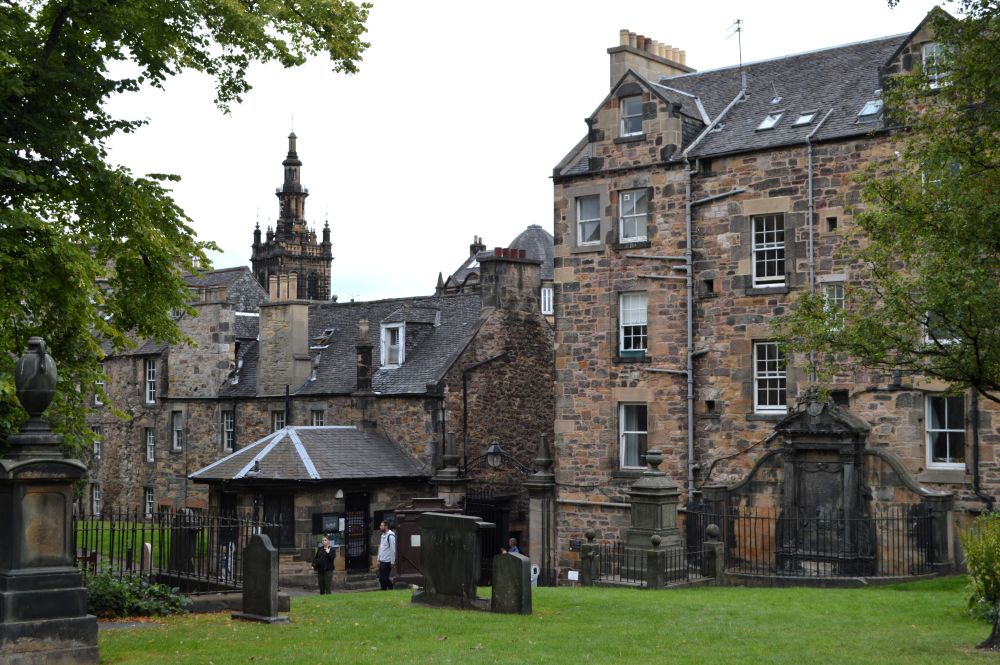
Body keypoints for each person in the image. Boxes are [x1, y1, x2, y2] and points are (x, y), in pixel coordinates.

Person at [377, 520, 396, 590]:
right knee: (381, 579)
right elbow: (381, 548)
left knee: (384, 579)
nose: (380, 527)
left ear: (386, 526)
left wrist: (392, 562)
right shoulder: (383, 535)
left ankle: (391, 588)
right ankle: (384, 590)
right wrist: (378, 559)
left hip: (387, 561)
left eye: (381, 526)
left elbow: (393, 550)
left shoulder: (390, 536)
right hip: (382, 560)